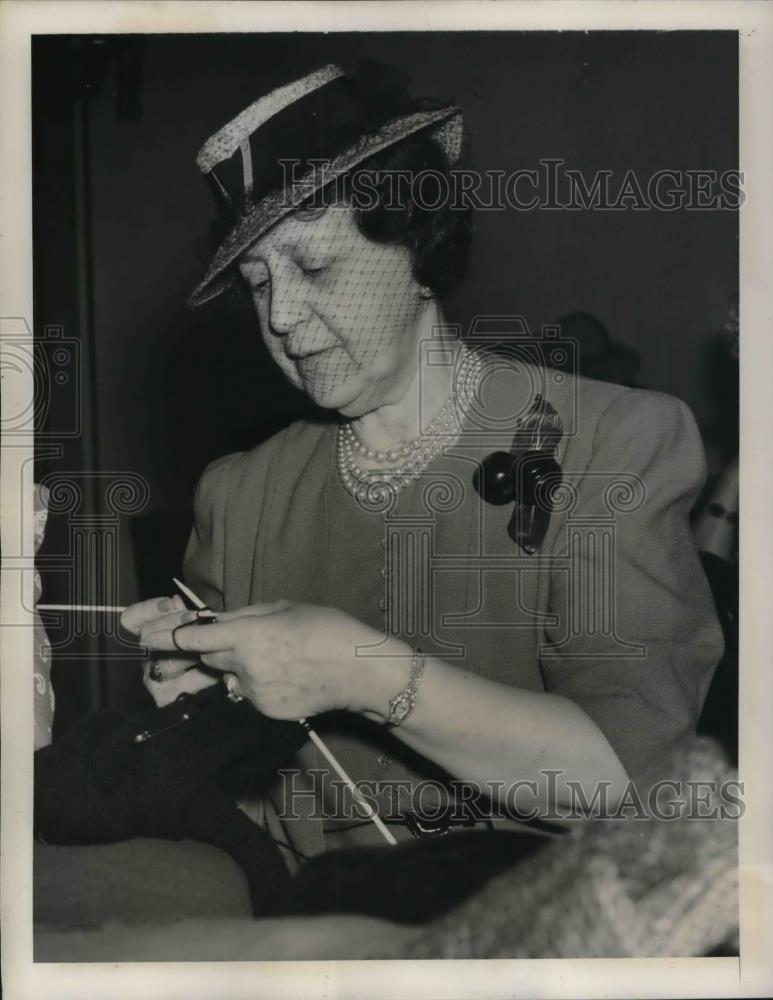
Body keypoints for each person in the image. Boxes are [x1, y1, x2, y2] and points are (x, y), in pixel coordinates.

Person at [122, 63, 723, 868]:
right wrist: (196, 700)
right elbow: (245, 798)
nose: (281, 317)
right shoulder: (240, 494)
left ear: (414, 242)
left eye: (313, 266)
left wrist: (364, 673)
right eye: (256, 282)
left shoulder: (605, 442)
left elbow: (628, 777)